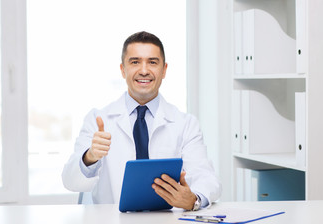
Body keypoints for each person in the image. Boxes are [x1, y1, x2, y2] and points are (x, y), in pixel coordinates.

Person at [62, 31, 221, 210]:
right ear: (123, 70)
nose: (144, 71)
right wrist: (90, 156)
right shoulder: (97, 119)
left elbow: (206, 178)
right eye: (135, 62)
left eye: (152, 62)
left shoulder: (185, 124)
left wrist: (193, 200)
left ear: (164, 70)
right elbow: (70, 181)